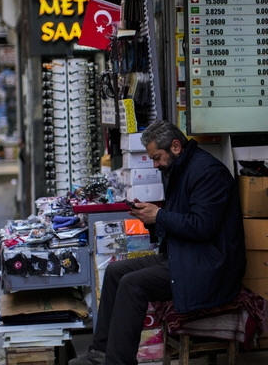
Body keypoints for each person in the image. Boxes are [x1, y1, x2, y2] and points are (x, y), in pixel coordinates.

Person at [70, 120, 246, 365]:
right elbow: (180, 222)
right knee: (115, 271)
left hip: (209, 266)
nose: (155, 164)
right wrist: (151, 218)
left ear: (175, 146)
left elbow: (202, 227)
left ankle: (117, 362)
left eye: (157, 157)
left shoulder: (208, 172)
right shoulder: (180, 169)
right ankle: (100, 352)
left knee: (132, 284)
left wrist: (160, 215)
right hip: (184, 254)